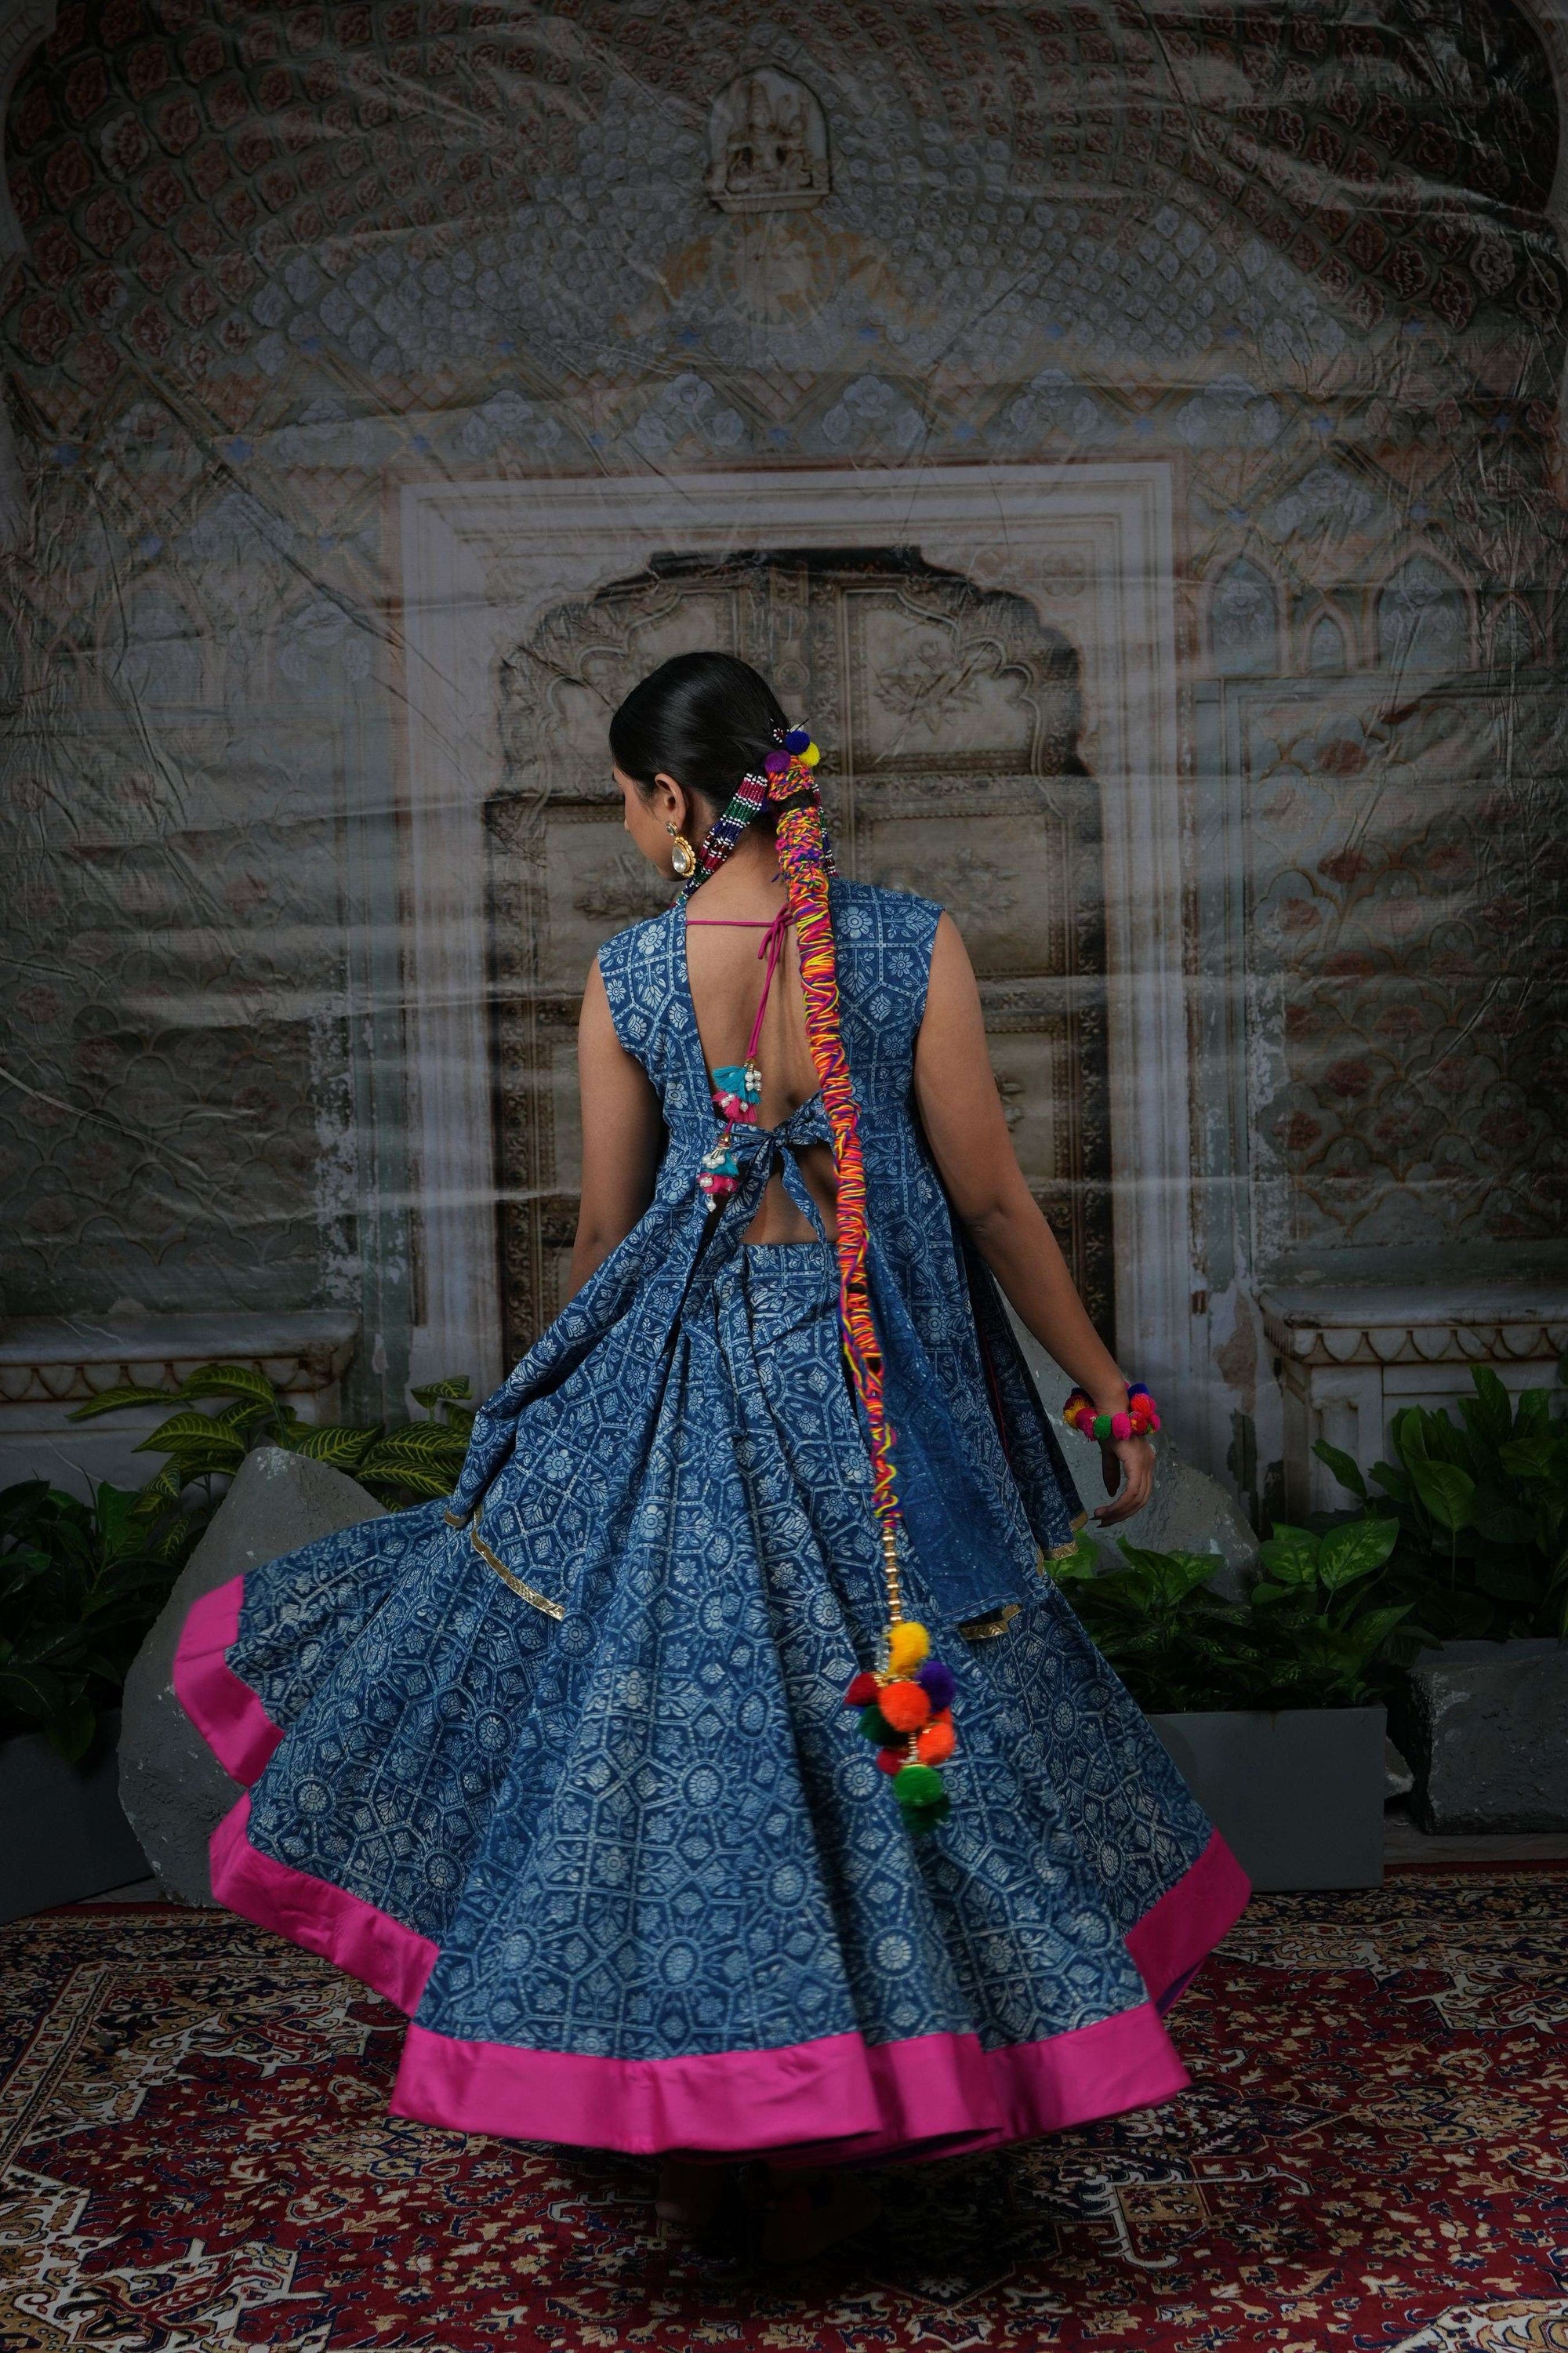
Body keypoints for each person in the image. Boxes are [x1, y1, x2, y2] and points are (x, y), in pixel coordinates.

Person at [174, 651, 1247, 2262]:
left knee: (678, 1755)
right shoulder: (906, 943)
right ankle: (877, 2107)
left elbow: (607, 1233)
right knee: (895, 1734)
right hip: (872, 1400)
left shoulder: (628, 974)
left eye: (625, 798)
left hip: (688, 1389)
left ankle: (693, 2136)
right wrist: (1107, 1393)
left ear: (676, 799)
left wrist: (553, 1404)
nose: (626, 824)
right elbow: (991, 1201)